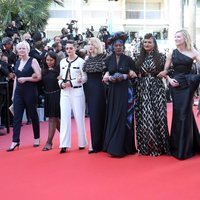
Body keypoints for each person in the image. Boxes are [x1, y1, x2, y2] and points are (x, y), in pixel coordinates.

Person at [158, 29, 200, 160]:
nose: (176, 39)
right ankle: (182, 146)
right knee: (179, 114)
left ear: (185, 38)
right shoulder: (172, 53)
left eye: (178, 37)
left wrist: (193, 79)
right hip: (176, 87)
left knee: (184, 113)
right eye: (175, 37)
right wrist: (170, 80)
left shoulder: (194, 52)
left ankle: (184, 149)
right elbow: (165, 72)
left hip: (188, 87)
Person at [135, 33, 170, 156]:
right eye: (145, 42)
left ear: (154, 44)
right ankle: (147, 147)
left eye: (149, 42)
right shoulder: (138, 57)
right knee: (146, 116)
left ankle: (160, 147)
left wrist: (165, 72)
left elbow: (169, 70)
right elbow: (133, 71)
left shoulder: (161, 57)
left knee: (158, 116)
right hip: (142, 88)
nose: (147, 44)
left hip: (157, 87)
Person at [102, 32, 137, 157]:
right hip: (112, 92)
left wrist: (125, 76)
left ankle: (125, 147)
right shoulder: (107, 59)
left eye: (120, 45)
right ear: (112, 46)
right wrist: (108, 77)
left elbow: (134, 75)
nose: (118, 47)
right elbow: (105, 75)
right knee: (113, 115)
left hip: (125, 92)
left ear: (123, 46)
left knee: (124, 116)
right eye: (116, 45)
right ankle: (112, 145)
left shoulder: (129, 60)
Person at [7, 41, 41, 151]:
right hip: (18, 92)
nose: (21, 50)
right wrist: (13, 94)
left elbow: (39, 77)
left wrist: (26, 79)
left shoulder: (33, 61)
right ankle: (15, 141)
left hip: (30, 90)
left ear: (27, 49)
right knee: (17, 117)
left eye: (23, 48)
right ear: (17, 50)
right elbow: (16, 78)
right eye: (19, 48)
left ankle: (37, 137)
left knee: (33, 114)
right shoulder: (17, 62)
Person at [58, 40, 87, 153]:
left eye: (71, 48)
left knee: (79, 117)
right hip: (64, 92)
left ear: (75, 48)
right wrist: (61, 84)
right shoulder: (62, 62)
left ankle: (82, 142)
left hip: (77, 91)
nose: (69, 50)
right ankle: (64, 144)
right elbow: (60, 76)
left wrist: (74, 82)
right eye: (67, 48)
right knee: (64, 117)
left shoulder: (81, 62)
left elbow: (85, 78)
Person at [82, 37, 107, 154]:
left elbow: (107, 71)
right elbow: (85, 75)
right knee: (93, 115)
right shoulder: (87, 59)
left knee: (99, 115)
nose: (90, 46)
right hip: (89, 88)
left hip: (99, 87)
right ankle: (95, 143)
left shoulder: (103, 57)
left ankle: (98, 144)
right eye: (88, 44)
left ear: (97, 45)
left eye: (92, 44)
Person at [42, 52, 61, 151]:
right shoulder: (44, 70)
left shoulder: (59, 71)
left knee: (52, 118)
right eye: (47, 60)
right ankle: (65, 137)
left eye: (51, 60)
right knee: (55, 118)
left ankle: (49, 142)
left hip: (56, 95)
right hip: (48, 96)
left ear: (55, 60)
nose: (49, 62)